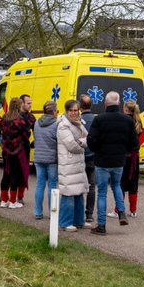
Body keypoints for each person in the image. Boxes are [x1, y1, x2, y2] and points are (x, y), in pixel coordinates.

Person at [86, 91, 137, 234]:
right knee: (116, 186)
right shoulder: (127, 120)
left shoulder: (99, 119)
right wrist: (125, 151)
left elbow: (91, 140)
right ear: (119, 103)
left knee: (102, 192)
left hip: (102, 160)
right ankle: (121, 211)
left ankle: (101, 225)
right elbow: (135, 143)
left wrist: (97, 150)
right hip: (119, 160)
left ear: (105, 103)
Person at [56, 99, 89, 231]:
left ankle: (79, 221)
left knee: (79, 193)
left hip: (78, 163)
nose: (74, 113)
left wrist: (80, 142)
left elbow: (87, 138)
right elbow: (71, 145)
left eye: (76, 110)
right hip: (68, 163)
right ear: (66, 111)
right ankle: (65, 222)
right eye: (71, 110)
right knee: (68, 193)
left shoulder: (80, 122)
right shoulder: (63, 125)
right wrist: (82, 144)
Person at [0, 98, 30, 209]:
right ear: (19, 106)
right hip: (17, 151)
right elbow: (26, 134)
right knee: (15, 175)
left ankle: (3, 200)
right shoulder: (20, 120)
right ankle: (12, 201)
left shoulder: (5, 118)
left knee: (6, 174)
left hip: (6, 151)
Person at [31, 100, 60, 221]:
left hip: (38, 157)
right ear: (54, 111)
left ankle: (38, 211)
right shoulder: (57, 124)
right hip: (52, 158)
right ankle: (52, 212)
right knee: (52, 186)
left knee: (40, 185)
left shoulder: (37, 122)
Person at [120, 99, 143, 217]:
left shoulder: (124, 121)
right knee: (133, 183)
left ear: (125, 108)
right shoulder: (138, 121)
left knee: (121, 183)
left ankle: (118, 209)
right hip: (134, 157)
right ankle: (133, 210)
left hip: (125, 155)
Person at [79, 94, 97, 224]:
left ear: (80, 107)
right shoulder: (96, 120)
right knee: (91, 186)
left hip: (80, 156)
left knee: (78, 186)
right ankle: (89, 214)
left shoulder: (78, 120)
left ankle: (79, 214)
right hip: (93, 157)